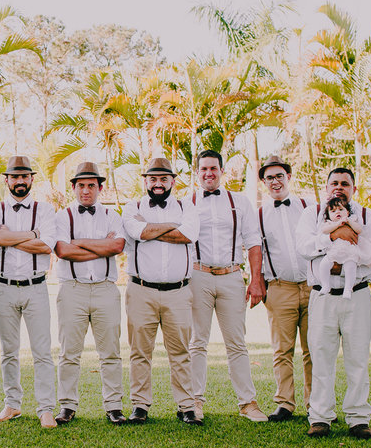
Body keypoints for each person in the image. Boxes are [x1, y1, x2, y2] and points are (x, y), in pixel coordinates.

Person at [296, 167, 371, 439]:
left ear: (353, 189)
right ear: (326, 187)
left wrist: (351, 257)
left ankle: (359, 418)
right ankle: (321, 417)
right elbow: (303, 246)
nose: (339, 187)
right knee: (321, 356)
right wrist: (333, 236)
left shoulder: (368, 216)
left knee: (357, 357)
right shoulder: (311, 214)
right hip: (323, 296)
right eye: (334, 183)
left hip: (357, 293)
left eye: (345, 184)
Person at [187, 150, 268, 423]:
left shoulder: (240, 202)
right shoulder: (186, 202)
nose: (208, 173)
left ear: (222, 171)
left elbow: (254, 242)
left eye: (213, 168)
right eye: (203, 169)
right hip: (197, 275)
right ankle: (195, 401)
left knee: (237, 342)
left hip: (232, 275)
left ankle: (248, 402)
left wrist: (256, 280)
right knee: (197, 341)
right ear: (196, 172)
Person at [122, 157, 200, 425]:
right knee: (140, 351)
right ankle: (140, 406)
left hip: (179, 292)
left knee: (180, 351)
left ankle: (187, 406)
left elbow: (189, 235)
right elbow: (137, 232)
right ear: (145, 181)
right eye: (153, 179)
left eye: (163, 179)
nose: (158, 184)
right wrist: (172, 226)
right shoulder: (132, 206)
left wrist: (150, 229)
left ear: (172, 182)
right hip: (141, 290)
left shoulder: (186, 206)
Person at [0, 156, 58, 429]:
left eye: (24, 176)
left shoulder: (45, 209)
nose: (20, 181)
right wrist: (32, 234)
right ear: (7, 180)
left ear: (31, 179)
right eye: (15, 177)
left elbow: (46, 246)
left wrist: (10, 236)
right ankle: (12, 404)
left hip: (36, 287)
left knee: (42, 351)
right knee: (8, 351)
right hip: (3, 288)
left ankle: (46, 408)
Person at [52, 161, 127, 425]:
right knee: (69, 352)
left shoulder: (112, 215)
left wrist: (79, 242)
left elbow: (117, 246)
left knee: (111, 352)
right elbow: (62, 251)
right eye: (81, 185)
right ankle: (68, 406)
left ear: (100, 188)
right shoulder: (62, 216)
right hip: (72, 289)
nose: (86, 190)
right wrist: (101, 245)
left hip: (106, 289)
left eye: (91, 186)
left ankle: (114, 406)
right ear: (73, 187)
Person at [256, 155, 313, 422]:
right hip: (279, 288)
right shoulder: (259, 214)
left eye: (279, 176)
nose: (275, 181)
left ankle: (316, 404)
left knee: (314, 348)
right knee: (282, 350)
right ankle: (285, 403)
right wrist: (259, 282)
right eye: (270, 178)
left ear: (288, 177)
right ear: (264, 183)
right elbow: (256, 251)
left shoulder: (309, 206)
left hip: (313, 287)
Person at [316, 196, 371, 296]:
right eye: (333, 211)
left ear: (347, 212)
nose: (337, 212)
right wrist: (337, 224)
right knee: (323, 265)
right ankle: (325, 286)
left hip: (349, 251)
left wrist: (349, 221)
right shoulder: (329, 223)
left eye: (341, 209)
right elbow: (325, 230)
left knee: (350, 267)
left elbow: (359, 230)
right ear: (328, 215)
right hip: (334, 251)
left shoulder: (352, 220)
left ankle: (348, 289)